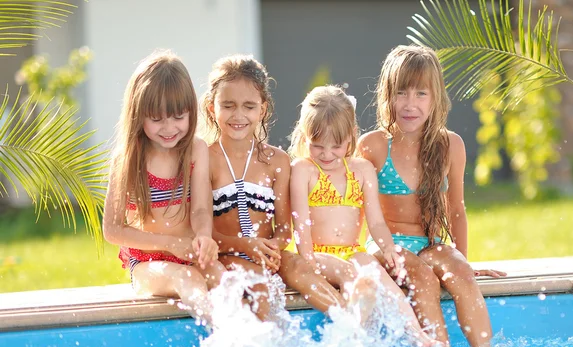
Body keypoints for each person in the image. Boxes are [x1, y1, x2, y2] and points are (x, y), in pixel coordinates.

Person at [357, 45, 506, 347]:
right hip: (389, 245)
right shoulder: (373, 146)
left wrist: (463, 262)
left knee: (462, 277)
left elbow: (456, 210)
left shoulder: (450, 145)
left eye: (421, 94)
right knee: (422, 278)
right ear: (388, 96)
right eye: (402, 93)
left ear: (436, 98)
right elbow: (353, 206)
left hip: (431, 243)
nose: (410, 104)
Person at [201, 55, 375, 322]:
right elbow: (202, 228)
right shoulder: (205, 158)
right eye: (228, 106)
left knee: (309, 269)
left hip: (269, 254)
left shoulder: (277, 161)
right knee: (261, 287)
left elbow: (284, 229)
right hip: (225, 254)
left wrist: (272, 246)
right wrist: (245, 245)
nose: (238, 115)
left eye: (249, 106)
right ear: (212, 108)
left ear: (262, 109)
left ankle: (349, 328)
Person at [288, 85, 438, 347]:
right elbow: (300, 224)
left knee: (376, 273)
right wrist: (308, 258)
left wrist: (388, 248)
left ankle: (414, 331)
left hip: (352, 250)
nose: (326, 154)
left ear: (351, 138)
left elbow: (376, 222)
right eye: (317, 146)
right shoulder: (304, 170)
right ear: (305, 137)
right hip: (317, 253)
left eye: (336, 147)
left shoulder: (361, 169)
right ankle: (352, 335)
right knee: (352, 275)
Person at [103, 50, 225, 322]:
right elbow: (112, 230)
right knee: (188, 278)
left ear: (191, 112)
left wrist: (204, 236)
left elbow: (202, 210)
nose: (169, 128)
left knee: (226, 282)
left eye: (178, 117)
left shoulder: (195, 150)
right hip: (147, 264)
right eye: (157, 119)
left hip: (190, 255)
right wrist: (169, 244)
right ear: (138, 114)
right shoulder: (128, 158)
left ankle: (248, 345)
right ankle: (222, 345)